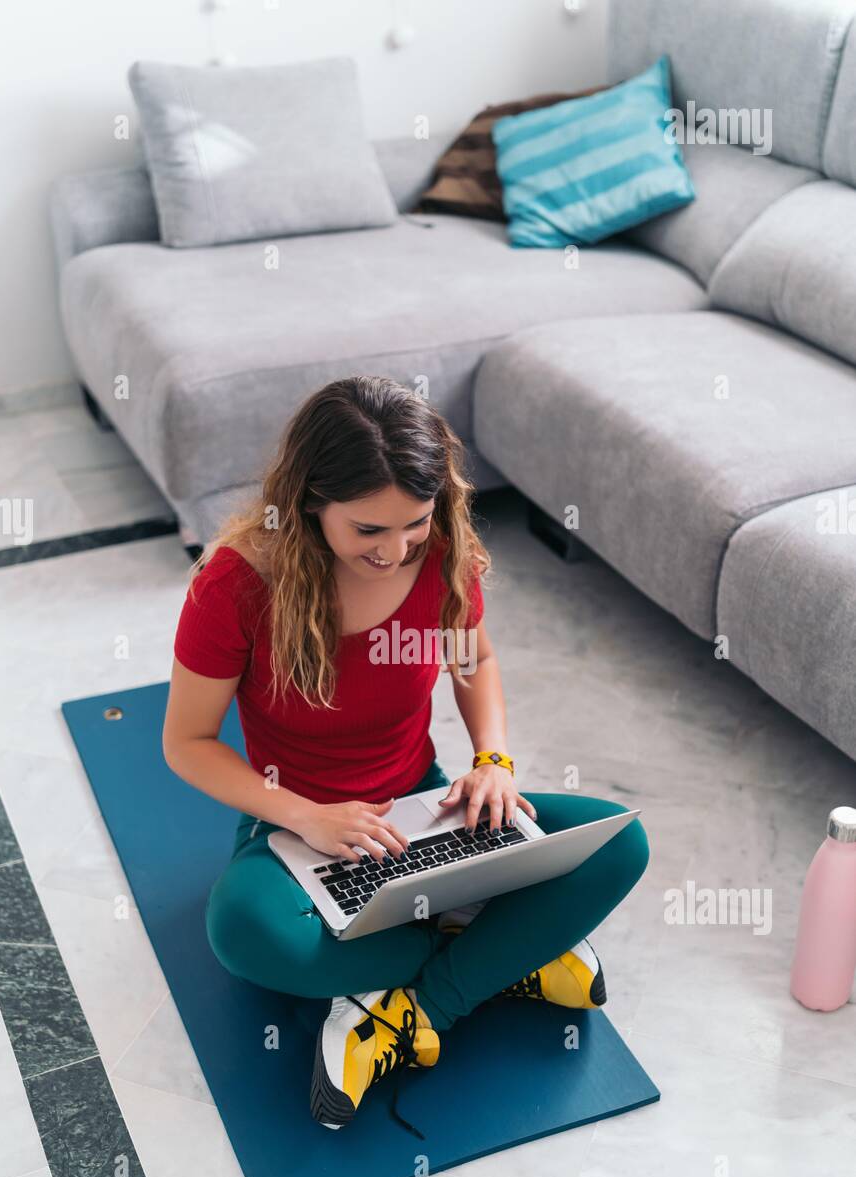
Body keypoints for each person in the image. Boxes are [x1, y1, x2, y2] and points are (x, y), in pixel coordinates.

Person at [163, 375, 649, 1134]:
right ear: (308, 503)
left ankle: (411, 1005)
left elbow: (474, 663)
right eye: (367, 531)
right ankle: (499, 953)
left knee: (620, 844)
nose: (393, 552)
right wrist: (307, 817)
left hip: (427, 813)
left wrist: (493, 762)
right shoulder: (233, 586)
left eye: (413, 525)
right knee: (244, 930)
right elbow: (186, 744)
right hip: (298, 829)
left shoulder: (443, 554)